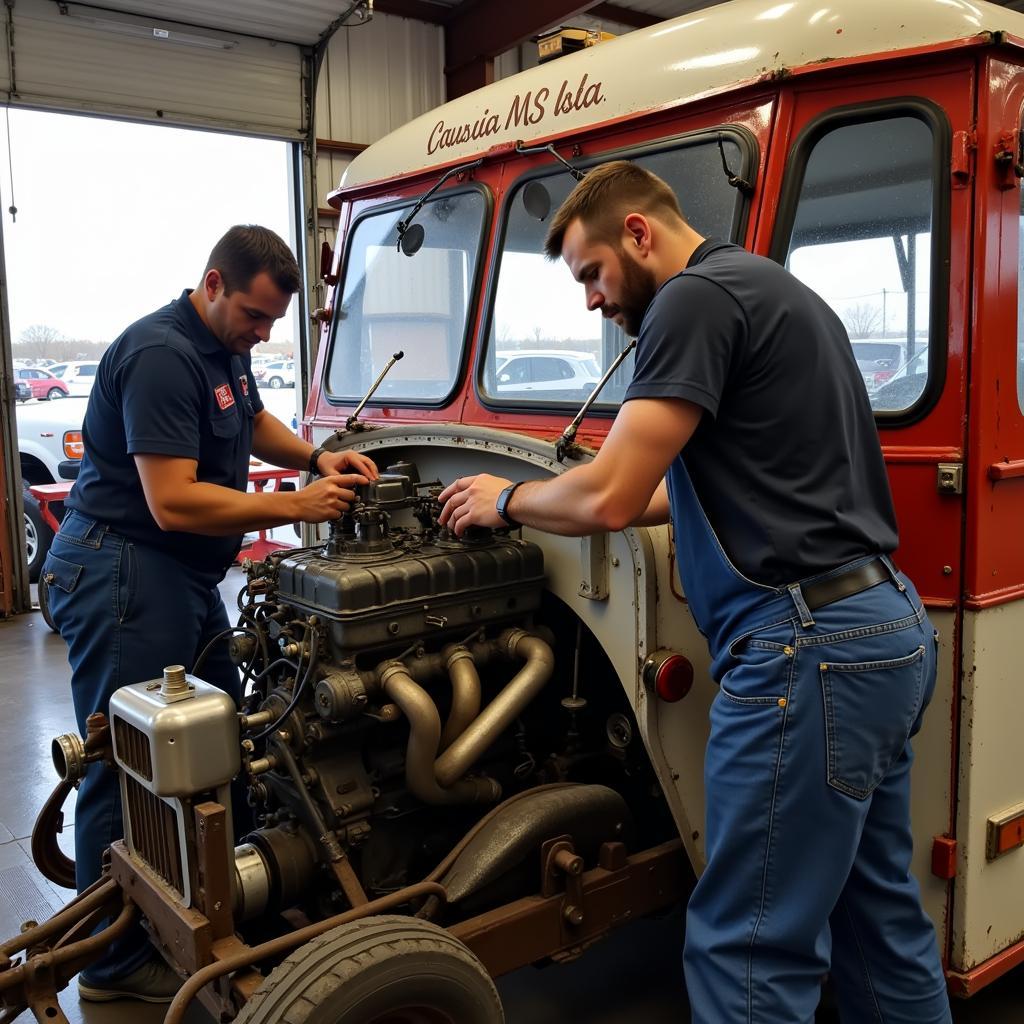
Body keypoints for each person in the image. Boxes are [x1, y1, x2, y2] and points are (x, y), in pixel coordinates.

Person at [439, 162, 951, 1024]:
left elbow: (604, 494)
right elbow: (659, 494)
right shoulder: (771, 290)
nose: (593, 303)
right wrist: (531, 507)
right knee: (877, 922)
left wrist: (507, 499)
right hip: (881, 631)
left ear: (639, 233)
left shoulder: (691, 301)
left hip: (806, 652)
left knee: (747, 948)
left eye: (591, 274)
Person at [42, 225, 377, 1004]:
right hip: (123, 570)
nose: (260, 335)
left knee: (227, 741)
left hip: (182, 579)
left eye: (270, 324)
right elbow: (172, 499)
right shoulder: (162, 356)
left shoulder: (223, 348)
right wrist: (295, 503)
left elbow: (252, 419)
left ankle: (215, 904)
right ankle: (113, 965)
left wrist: (315, 457)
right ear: (215, 282)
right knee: (128, 770)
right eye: (253, 318)